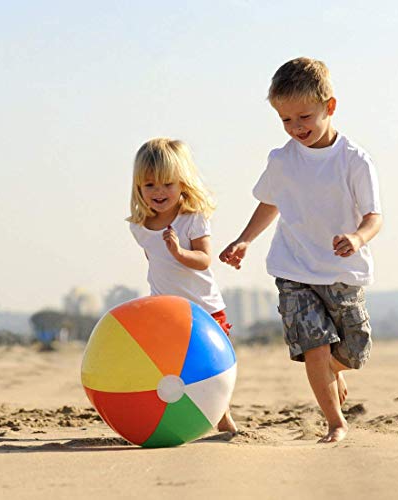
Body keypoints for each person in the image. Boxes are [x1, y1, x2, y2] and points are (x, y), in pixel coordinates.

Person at [219, 57, 382, 443]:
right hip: (293, 269)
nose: (296, 128)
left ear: (330, 106)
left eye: (304, 117)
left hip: (342, 272)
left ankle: (331, 370)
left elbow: (374, 217)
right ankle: (335, 422)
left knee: (355, 350)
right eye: (286, 120)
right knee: (315, 346)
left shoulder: (354, 161)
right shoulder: (283, 160)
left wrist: (357, 238)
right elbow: (270, 202)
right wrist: (244, 239)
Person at [128, 137, 237, 435]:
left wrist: (178, 252)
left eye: (167, 184)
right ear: (138, 187)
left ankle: (223, 415)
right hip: (166, 311)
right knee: (170, 369)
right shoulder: (139, 227)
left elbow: (203, 259)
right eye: (150, 185)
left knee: (211, 367)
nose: (159, 192)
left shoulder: (192, 219)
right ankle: (172, 417)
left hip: (204, 308)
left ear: (182, 184)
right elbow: (154, 262)